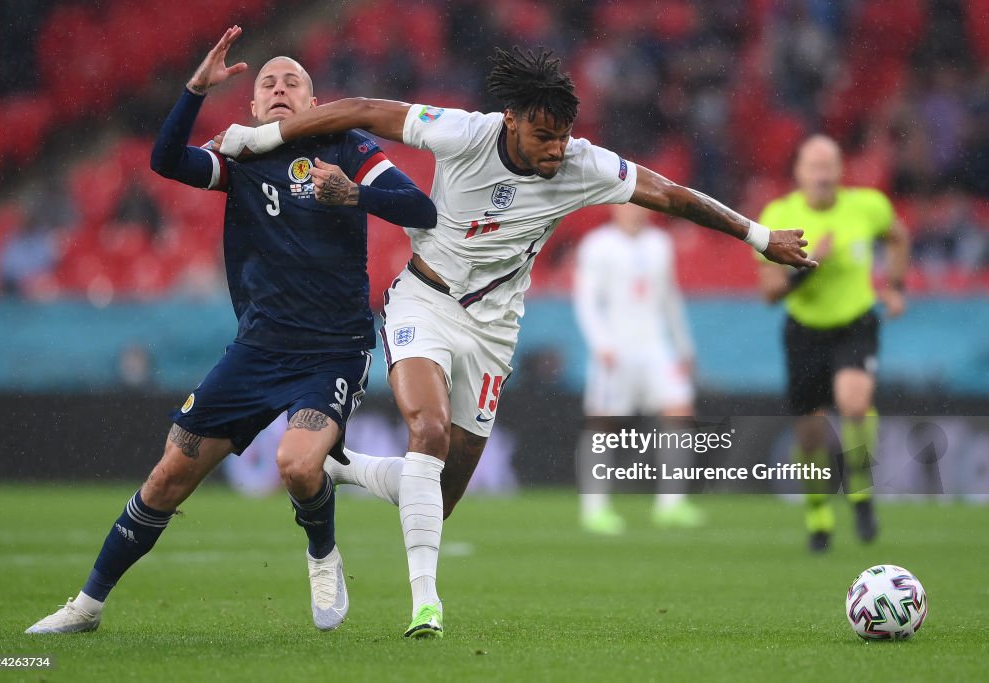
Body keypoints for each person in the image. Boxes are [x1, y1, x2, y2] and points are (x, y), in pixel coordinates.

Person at [218, 45, 814, 638]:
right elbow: (365, 108)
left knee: (438, 497)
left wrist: (759, 236)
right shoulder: (463, 133)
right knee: (426, 430)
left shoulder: (584, 165)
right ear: (511, 121)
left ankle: (348, 470)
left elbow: (672, 196)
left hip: (493, 332)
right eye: (543, 135)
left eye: (563, 136)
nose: (556, 148)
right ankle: (426, 603)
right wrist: (260, 138)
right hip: (423, 301)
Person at [25, 26, 436, 635]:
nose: (277, 88)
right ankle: (87, 606)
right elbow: (165, 160)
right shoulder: (240, 155)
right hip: (257, 351)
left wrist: (353, 196)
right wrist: (194, 89)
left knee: (297, 466)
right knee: (168, 476)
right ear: (251, 102)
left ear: (313, 100)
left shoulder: (347, 148)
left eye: (291, 81)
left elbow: (420, 210)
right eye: (266, 82)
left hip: (333, 351)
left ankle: (322, 556)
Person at [757, 135, 909, 553]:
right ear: (799, 172)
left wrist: (895, 287)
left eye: (829, 166)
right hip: (805, 330)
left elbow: (898, 236)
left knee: (855, 403)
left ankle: (860, 492)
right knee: (810, 435)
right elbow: (770, 293)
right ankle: (818, 511)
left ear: (841, 171)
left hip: (855, 323)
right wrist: (805, 268)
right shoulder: (779, 215)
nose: (822, 174)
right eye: (814, 166)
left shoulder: (867, 206)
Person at [573, 202, 704, 535]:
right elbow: (586, 299)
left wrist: (684, 345)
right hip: (616, 345)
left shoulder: (660, 243)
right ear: (615, 208)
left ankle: (670, 505)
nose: (636, 211)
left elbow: (669, 297)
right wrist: (601, 343)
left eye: (641, 205)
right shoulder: (597, 244)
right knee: (603, 425)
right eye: (629, 205)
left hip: (654, 345)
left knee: (679, 412)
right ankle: (595, 509)